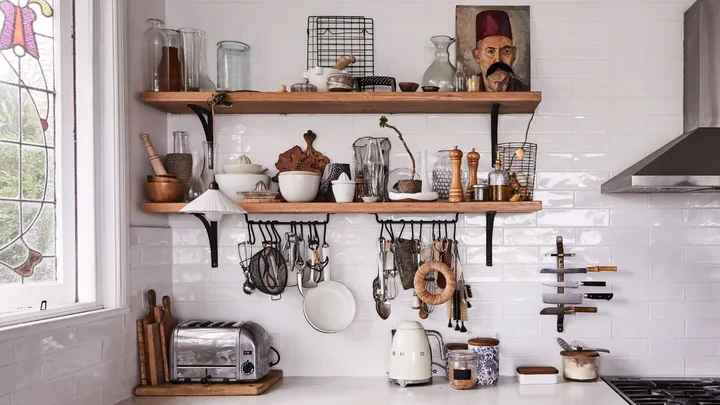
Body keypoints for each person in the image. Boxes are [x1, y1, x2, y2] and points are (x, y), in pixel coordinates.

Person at [472, 10, 529, 92]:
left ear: (514, 54)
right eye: (490, 52)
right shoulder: (466, 90)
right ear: (477, 56)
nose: (498, 60)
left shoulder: (524, 91)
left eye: (506, 51)